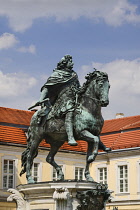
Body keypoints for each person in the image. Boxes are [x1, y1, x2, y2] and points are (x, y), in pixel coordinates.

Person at [34, 55, 80, 146]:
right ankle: (70, 137)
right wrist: (41, 99)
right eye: (70, 62)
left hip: (74, 99)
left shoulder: (74, 74)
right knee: (69, 110)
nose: (72, 63)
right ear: (65, 63)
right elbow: (47, 87)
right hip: (60, 101)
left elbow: (78, 87)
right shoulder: (56, 74)